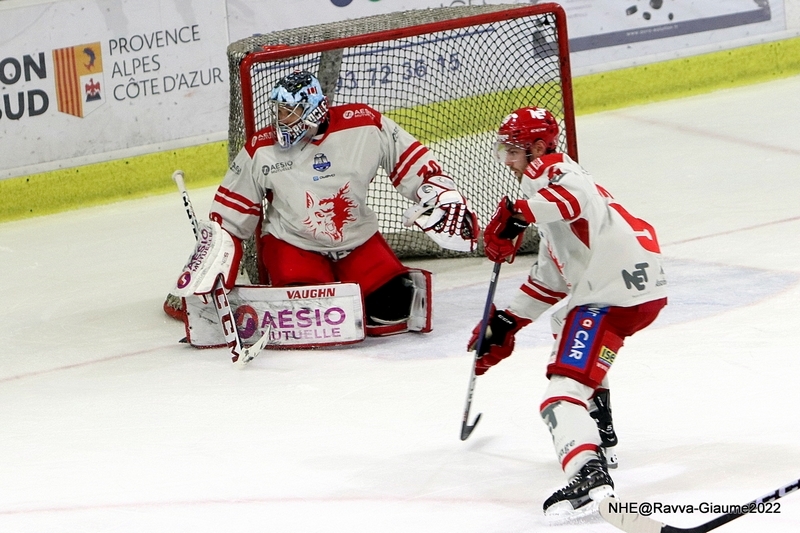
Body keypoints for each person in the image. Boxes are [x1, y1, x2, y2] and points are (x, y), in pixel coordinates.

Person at [167, 70, 478, 336]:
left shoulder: (365, 126)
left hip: (356, 239)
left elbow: (413, 164)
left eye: (290, 111)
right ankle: (325, 280)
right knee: (308, 312)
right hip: (293, 243)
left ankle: (352, 278)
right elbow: (231, 216)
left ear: (314, 109)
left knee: (393, 306)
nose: (281, 119)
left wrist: (437, 193)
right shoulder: (262, 149)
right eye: (279, 111)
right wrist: (215, 267)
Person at [468, 106, 667, 521]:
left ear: (538, 148)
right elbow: (553, 277)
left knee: (558, 397)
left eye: (514, 150)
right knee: (564, 322)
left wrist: (518, 214)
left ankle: (588, 472)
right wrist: (508, 320)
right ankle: (602, 431)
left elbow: (570, 197)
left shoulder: (555, 173)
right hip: (633, 289)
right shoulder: (552, 190)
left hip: (610, 295)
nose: (507, 160)